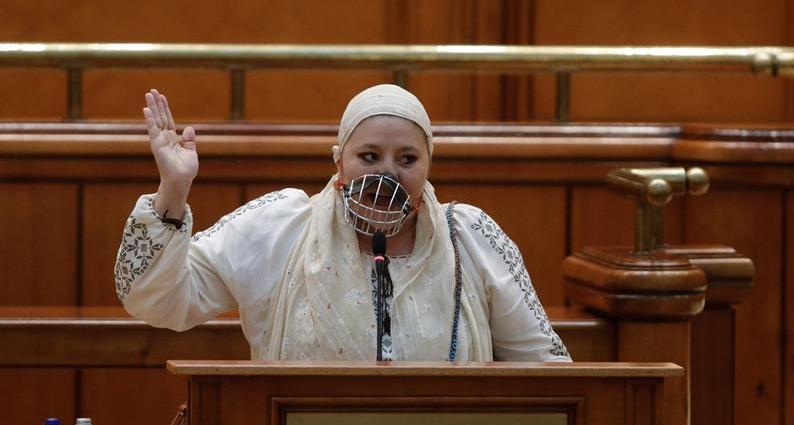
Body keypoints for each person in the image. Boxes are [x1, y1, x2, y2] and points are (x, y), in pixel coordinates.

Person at [114, 85, 570, 363]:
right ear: (339, 161)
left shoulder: (470, 238)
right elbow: (159, 302)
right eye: (369, 156)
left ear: (430, 164)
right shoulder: (282, 227)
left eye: (407, 159)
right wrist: (172, 189)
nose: (387, 173)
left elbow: (544, 368)